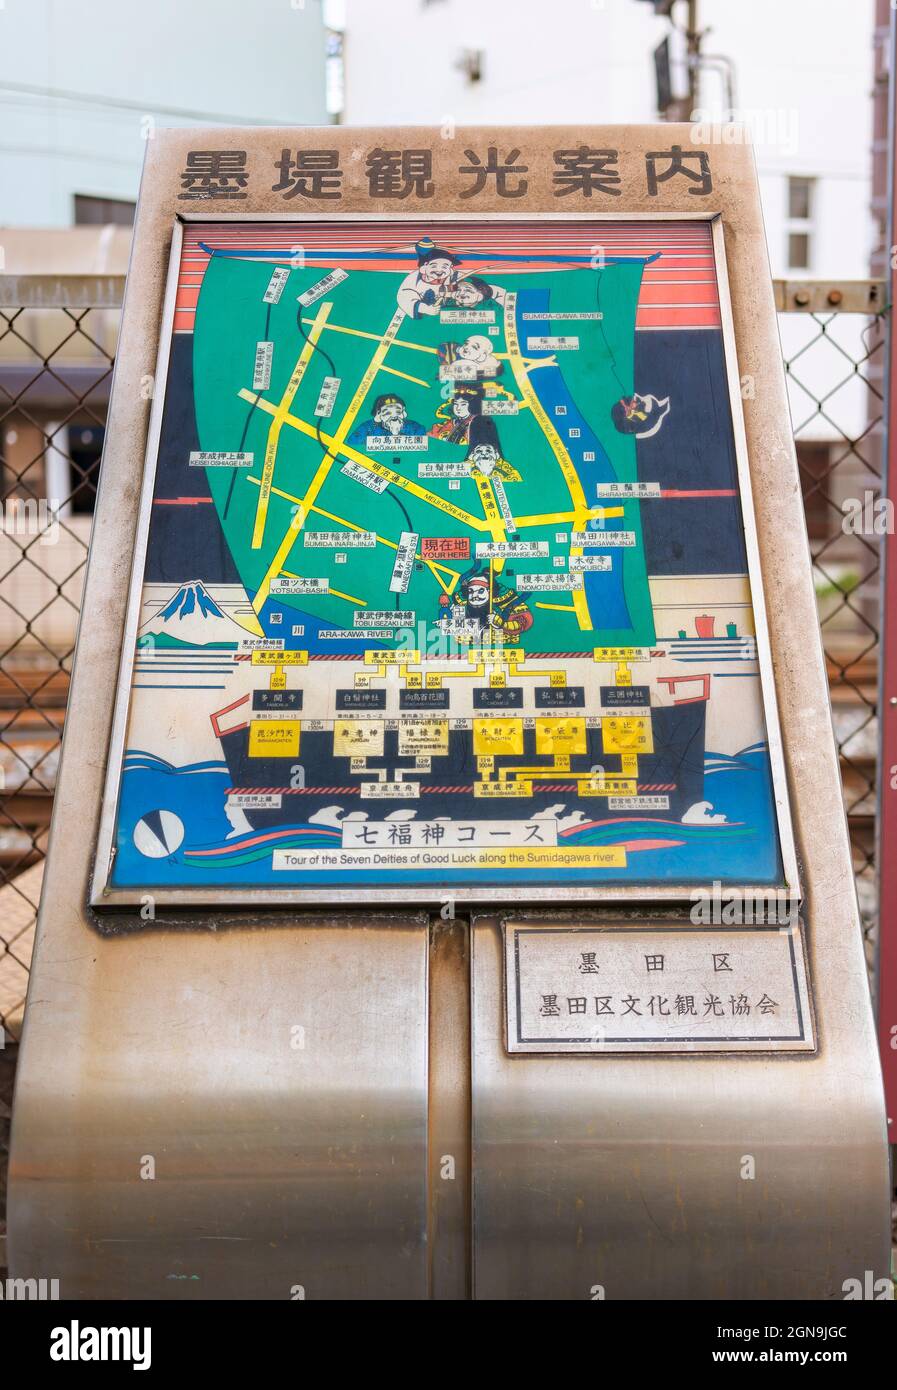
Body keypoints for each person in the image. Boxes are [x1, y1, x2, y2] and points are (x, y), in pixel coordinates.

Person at [438, 564, 533, 638]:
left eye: (480, 591)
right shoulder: (462, 603)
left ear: (490, 591)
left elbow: (523, 623)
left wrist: (500, 623)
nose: (475, 596)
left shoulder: (507, 600)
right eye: (471, 591)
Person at [397, 237, 462, 318]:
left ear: (451, 268)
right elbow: (405, 297)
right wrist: (424, 309)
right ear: (424, 268)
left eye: (445, 267)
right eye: (434, 266)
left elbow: (466, 287)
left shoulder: (455, 276)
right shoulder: (413, 279)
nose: (439, 270)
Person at [348, 393, 426, 449]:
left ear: (404, 413)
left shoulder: (414, 427)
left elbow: (424, 443)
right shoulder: (368, 427)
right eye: (388, 413)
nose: (394, 417)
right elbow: (352, 442)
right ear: (379, 415)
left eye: (398, 412)